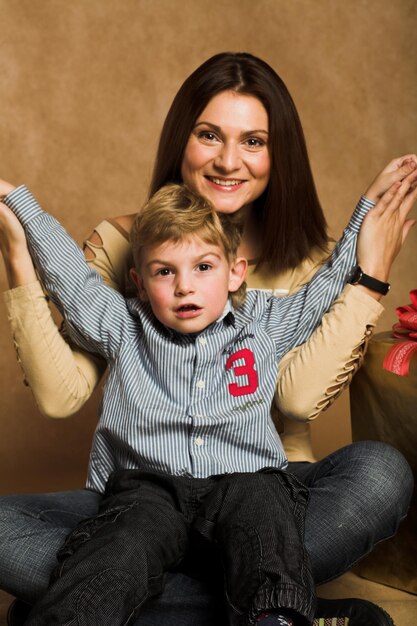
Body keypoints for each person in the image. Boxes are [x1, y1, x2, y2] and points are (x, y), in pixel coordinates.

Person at [0, 52, 415, 626]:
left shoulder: (264, 318)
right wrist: (16, 213)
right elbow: (69, 279)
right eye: (209, 135)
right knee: (104, 537)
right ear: (139, 282)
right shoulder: (125, 316)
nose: (228, 160)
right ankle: (274, 607)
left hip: (255, 494)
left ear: (236, 271)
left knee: (371, 477)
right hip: (143, 498)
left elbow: (325, 289)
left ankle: (150, 600)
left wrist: (367, 222)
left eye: (252, 141)